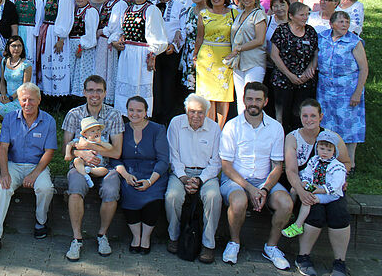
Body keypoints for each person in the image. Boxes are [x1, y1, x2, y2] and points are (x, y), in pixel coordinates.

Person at [219, 82, 292, 270]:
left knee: (286, 203)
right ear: (243, 100)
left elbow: (277, 166)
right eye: (249, 99)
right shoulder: (232, 126)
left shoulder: (275, 128)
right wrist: (250, 189)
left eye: (258, 99)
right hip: (235, 180)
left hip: (264, 180)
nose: (253, 103)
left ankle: (271, 247)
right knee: (238, 202)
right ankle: (234, 243)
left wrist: (265, 189)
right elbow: (226, 166)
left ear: (265, 102)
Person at [0, 83, 56, 260]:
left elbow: (49, 152)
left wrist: (34, 174)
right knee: (2, 188)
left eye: (31, 99)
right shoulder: (10, 118)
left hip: (37, 165)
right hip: (13, 164)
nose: (27, 103)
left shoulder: (49, 121)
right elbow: (3, 148)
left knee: (46, 188)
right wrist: (4, 173)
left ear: (39, 100)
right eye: (23, 100)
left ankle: (41, 222)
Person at [283, 102, 352, 276]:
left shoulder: (332, 137)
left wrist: (342, 178)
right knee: (315, 212)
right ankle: (303, 257)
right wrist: (302, 191)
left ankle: (340, 262)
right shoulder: (293, 137)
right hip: (304, 186)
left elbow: (346, 162)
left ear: (321, 117)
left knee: (339, 212)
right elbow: (291, 170)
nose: (309, 119)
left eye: (313, 115)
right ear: (300, 117)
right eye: (305, 116)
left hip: (330, 188)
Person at [62, 75, 123, 261]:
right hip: (81, 165)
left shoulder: (114, 115)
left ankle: (102, 235)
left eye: (99, 90)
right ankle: (77, 239)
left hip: (106, 166)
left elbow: (116, 152)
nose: (94, 94)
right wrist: (81, 154)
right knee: (74, 189)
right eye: (90, 90)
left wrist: (88, 148)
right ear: (84, 92)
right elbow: (67, 149)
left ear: (105, 93)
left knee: (112, 190)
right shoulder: (74, 114)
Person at [165, 94, 222, 263]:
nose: (196, 116)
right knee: (172, 196)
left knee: (213, 197)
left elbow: (216, 161)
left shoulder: (214, 128)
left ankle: (208, 245)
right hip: (181, 172)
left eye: (200, 112)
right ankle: (174, 237)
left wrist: (201, 180)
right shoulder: (176, 123)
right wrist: (183, 178)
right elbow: (172, 155)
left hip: (206, 174)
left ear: (207, 113)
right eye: (192, 111)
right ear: (185, 111)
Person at [113, 96, 169, 255]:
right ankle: (136, 237)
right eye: (131, 110)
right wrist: (125, 175)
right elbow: (114, 157)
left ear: (146, 112)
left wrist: (150, 181)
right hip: (129, 172)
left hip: (153, 174)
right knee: (128, 192)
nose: (134, 114)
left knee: (153, 198)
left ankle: (146, 238)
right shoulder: (121, 129)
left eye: (139, 110)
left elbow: (164, 160)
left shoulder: (158, 130)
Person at [317, 11, 367, 172]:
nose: (345, 24)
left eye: (347, 21)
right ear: (331, 24)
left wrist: (357, 92)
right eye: (341, 21)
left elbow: (364, 69)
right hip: (325, 89)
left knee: (349, 125)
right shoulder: (322, 37)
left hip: (348, 89)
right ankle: (327, 159)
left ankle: (350, 163)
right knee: (327, 124)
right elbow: (315, 57)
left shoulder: (354, 41)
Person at [110, 0, 167, 116]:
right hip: (127, 54)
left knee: (139, 85)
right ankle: (124, 115)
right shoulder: (128, 9)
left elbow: (158, 36)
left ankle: (140, 115)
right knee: (126, 85)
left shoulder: (151, 10)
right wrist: (116, 41)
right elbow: (120, 30)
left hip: (142, 54)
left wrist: (152, 54)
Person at [283, 133, 346, 238]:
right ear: (317, 147)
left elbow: (337, 184)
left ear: (334, 151)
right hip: (315, 187)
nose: (325, 152)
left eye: (329, 150)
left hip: (329, 193)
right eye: (322, 148)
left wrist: (321, 190)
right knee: (294, 190)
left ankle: (298, 225)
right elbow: (307, 173)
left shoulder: (337, 166)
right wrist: (305, 182)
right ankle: (290, 214)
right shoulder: (314, 160)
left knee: (309, 199)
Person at [270, 2, 319, 132]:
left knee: (299, 117)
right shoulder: (282, 30)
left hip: (304, 81)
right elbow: (274, 55)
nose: (305, 17)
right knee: (282, 118)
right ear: (291, 16)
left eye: (307, 14)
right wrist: (289, 75)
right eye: (301, 15)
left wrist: (310, 69)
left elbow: (315, 54)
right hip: (283, 80)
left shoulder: (310, 31)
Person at [194, 0, 235, 128]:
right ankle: (210, 128)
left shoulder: (234, 13)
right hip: (206, 58)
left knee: (223, 96)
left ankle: (221, 129)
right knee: (208, 96)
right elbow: (199, 37)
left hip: (225, 58)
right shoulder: (203, 14)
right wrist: (195, 55)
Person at [226, 0, 267, 113]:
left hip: (254, 62)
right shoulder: (240, 14)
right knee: (241, 100)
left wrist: (239, 49)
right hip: (239, 62)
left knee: (252, 99)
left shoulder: (259, 14)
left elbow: (259, 40)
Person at [35, 0, 74, 96]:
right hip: (47, 31)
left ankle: (59, 93)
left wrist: (61, 38)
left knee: (58, 61)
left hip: (57, 33)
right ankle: (48, 91)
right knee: (48, 61)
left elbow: (66, 17)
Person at [95, 0, 125, 105]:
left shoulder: (120, 3)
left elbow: (116, 26)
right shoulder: (106, 3)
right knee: (102, 70)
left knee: (110, 70)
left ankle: (109, 99)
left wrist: (102, 31)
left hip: (111, 41)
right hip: (102, 42)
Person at [0, 36, 33, 118]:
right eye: (13, 46)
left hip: (19, 99)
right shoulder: (5, 61)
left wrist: (10, 99)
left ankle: (7, 113)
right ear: (8, 47)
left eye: (19, 46)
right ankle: (4, 112)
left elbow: (24, 87)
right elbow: (2, 82)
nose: (16, 48)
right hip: (7, 96)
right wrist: (3, 96)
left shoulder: (26, 64)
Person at [12, 0, 44, 65]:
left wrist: (35, 32)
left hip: (31, 31)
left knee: (29, 54)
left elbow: (39, 18)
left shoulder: (37, 0)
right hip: (17, 30)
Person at [179, 0, 206, 92]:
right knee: (190, 86)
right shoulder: (189, 11)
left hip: (203, 50)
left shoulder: (210, 11)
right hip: (189, 52)